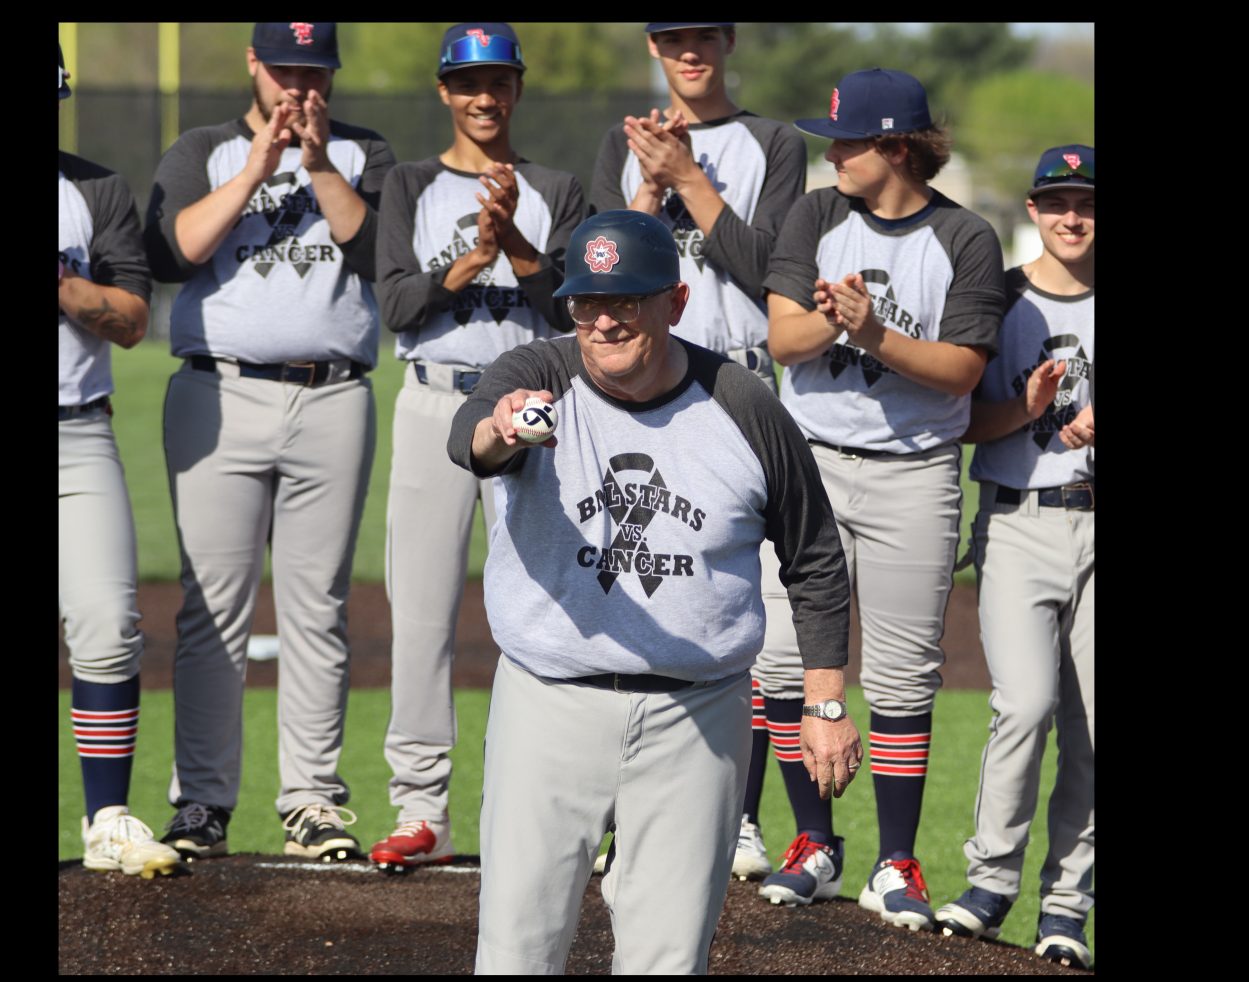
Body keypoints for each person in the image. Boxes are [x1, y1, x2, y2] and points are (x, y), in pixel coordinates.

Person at [447, 209, 856, 974]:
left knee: (668, 957)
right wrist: (500, 430)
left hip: (698, 716)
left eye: (626, 301)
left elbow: (814, 554)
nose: (604, 321)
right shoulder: (537, 375)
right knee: (517, 946)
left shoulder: (741, 402)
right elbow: (471, 440)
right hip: (549, 703)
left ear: (675, 302)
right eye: (586, 302)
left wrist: (825, 704)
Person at [752, 68, 1005, 932]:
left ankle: (896, 860)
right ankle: (814, 843)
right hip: (809, 466)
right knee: (782, 661)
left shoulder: (964, 236)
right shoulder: (816, 215)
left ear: (895, 146)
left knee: (902, 672)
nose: (834, 155)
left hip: (915, 471)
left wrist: (873, 331)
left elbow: (962, 371)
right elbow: (783, 339)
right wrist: (835, 321)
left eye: (848, 141)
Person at [142, 22, 396, 861]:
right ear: (253, 63)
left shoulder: (362, 151)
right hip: (219, 389)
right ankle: (203, 802)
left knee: (318, 607)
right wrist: (258, 166)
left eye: (313, 70)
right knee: (210, 610)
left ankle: (312, 801)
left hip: (333, 394)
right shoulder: (204, 149)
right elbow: (172, 251)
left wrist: (317, 165)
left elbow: (380, 254)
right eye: (284, 68)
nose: (298, 85)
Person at [588, 19, 807, 881]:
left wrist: (689, 178)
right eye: (673, 36)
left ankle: (738, 816)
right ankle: (625, 813)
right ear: (653, 47)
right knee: (637, 594)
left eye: (704, 35)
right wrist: (648, 186)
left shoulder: (772, 143)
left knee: (739, 609)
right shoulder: (621, 142)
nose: (690, 51)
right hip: (640, 387)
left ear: (727, 41)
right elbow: (604, 273)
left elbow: (772, 271)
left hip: (737, 380)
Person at [369, 22, 585, 872]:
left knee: (541, 608)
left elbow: (572, 309)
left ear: (518, 89)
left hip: (528, 406)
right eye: (468, 83)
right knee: (421, 610)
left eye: (498, 81)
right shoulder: (410, 183)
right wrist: (474, 258)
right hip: (432, 399)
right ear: (444, 92)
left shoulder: (556, 187)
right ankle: (422, 808)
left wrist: (519, 246)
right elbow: (396, 305)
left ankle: (538, 808)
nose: (484, 97)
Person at [933, 144, 1095, 969]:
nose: (1073, 216)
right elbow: (958, 422)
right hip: (1019, 518)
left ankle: (1067, 907)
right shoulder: (999, 296)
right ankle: (991, 882)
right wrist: (1028, 406)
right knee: (1026, 705)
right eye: (1058, 201)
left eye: (1087, 202)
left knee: (1093, 728)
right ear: (1033, 210)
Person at [58, 40, 181, 880]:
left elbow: (133, 320)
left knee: (107, 623)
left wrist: (65, 287)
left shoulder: (93, 189)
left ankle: (106, 820)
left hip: (77, 433)